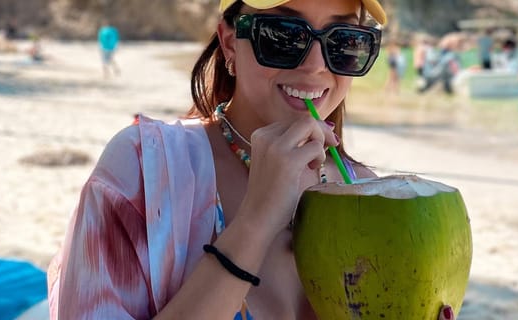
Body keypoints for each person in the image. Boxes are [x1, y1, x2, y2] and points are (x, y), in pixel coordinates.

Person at [48, 0, 455, 319]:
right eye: (282, 34)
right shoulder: (144, 168)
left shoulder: (369, 194)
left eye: (345, 41)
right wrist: (257, 221)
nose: (315, 66)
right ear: (229, 42)